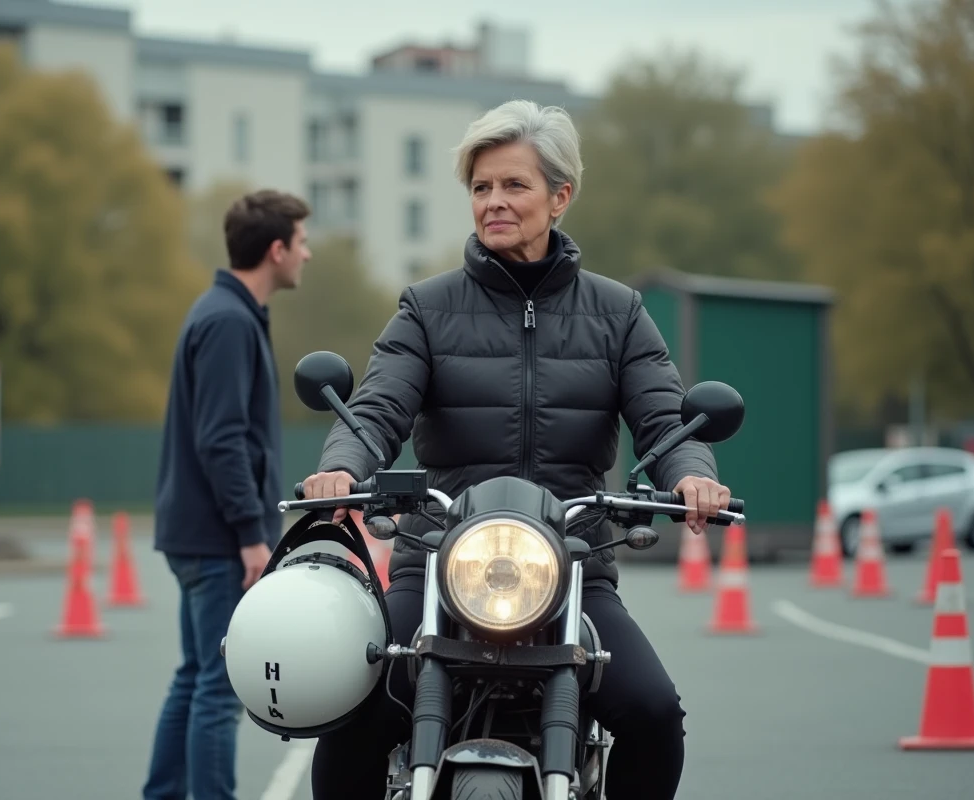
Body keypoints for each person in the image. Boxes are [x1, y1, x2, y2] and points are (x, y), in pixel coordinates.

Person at [299, 100, 729, 800]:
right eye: (481, 187)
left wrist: (691, 475)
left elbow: (663, 418)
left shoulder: (617, 313)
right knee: (351, 710)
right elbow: (377, 405)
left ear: (561, 196)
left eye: (513, 185)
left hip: (575, 567)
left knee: (653, 714)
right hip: (437, 561)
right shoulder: (427, 308)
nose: (494, 201)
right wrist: (342, 464)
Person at [143, 189, 312, 800]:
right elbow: (222, 441)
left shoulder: (224, 312)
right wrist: (249, 534)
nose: (307, 254)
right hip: (217, 540)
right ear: (276, 250)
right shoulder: (228, 322)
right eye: (301, 241)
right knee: (217, 688)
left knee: (195, 679)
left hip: (199, 534)